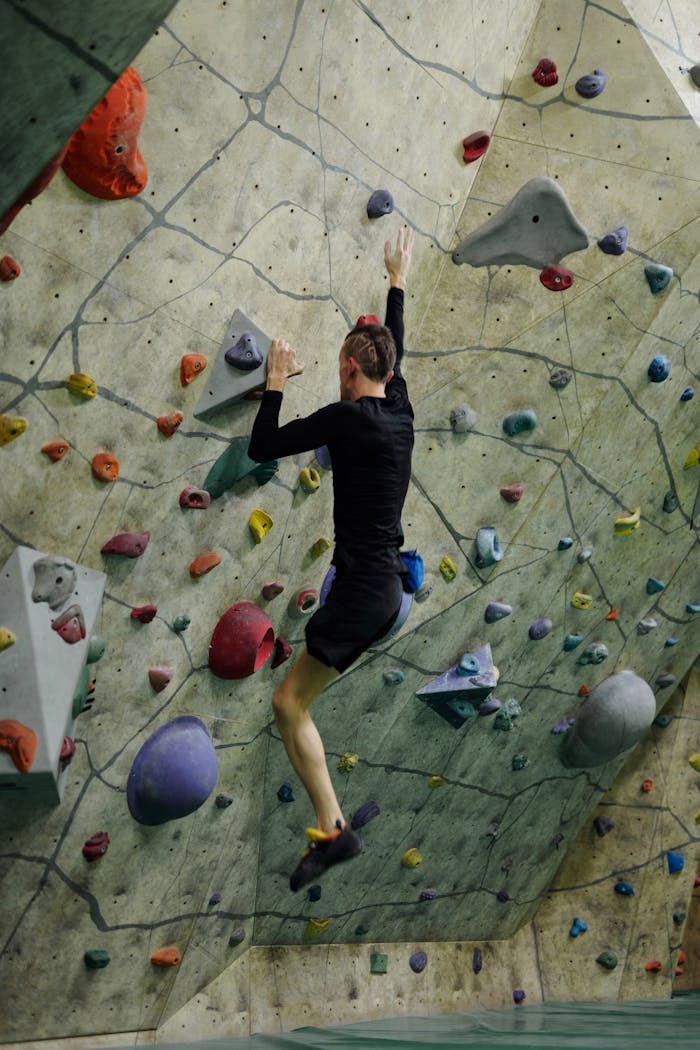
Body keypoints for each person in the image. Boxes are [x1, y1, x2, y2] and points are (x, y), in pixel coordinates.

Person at [248, 226, 415, 890]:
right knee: (295, 702)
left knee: (289, 704)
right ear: (387, 374)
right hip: (385, 596)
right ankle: (334, 822)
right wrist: (396, 279)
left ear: (350, 369)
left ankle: (332, 830)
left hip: (362, 591)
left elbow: (265, 446)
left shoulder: (349, 418)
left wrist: (276, 380)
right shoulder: (400, 411)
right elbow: (398, 348)